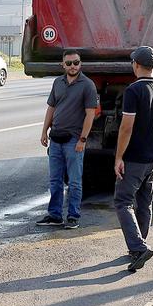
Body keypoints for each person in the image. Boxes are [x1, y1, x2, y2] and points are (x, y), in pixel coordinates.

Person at [113, 45, 153, 272]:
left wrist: (119, 157)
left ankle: (138, 247)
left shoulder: (133, 91)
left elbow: (126, 127)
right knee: (145, 204)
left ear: (136, 65)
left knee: (123, 202)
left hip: (134, 158)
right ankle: (139, 246)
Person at [37, 51, 100, 229]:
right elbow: (51, 108)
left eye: (76, 62)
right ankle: (55, 215)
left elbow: (90, 114)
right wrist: (44, 131)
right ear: (63, 65)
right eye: (69, 63)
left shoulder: (87, 85)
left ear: (80, 64)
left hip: (74, 140)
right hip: (56, 138)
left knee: (74, 181)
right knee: (55, 180)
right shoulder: (58, 82)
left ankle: (73, 216)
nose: (73, 66)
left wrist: (83, 139)